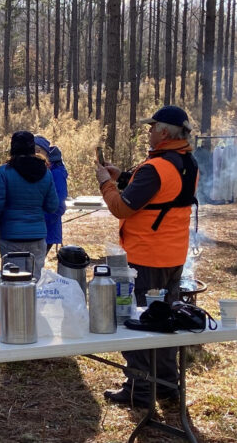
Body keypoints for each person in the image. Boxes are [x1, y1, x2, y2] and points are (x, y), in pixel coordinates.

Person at [96, 106, 199, 409]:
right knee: (167, 320)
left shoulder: (156, 167)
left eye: (152, 127)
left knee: (139, 321)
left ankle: (139, 392)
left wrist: (107, 182)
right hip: (173, 255)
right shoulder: (187, 162)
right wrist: (126, 176)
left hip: (146, 258)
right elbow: (164, 194)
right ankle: (167, 387)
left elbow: (122, 208)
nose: (149, 132)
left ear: (164, 132)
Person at [0, 131, 59, 280]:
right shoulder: (46, 172)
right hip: (37, 236)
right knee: (34, 283)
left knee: (13, 282)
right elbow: (52, 206)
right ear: (33, 148)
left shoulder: (4, 172)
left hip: (10, 236)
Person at [34, 135, 68, 254]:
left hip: (47, 230)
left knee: (33, 268)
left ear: (40, 151)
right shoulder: (40, 169)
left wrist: (41, 219)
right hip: (37, 229)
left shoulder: (56, 172)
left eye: (35, 151)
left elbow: (59, 205)